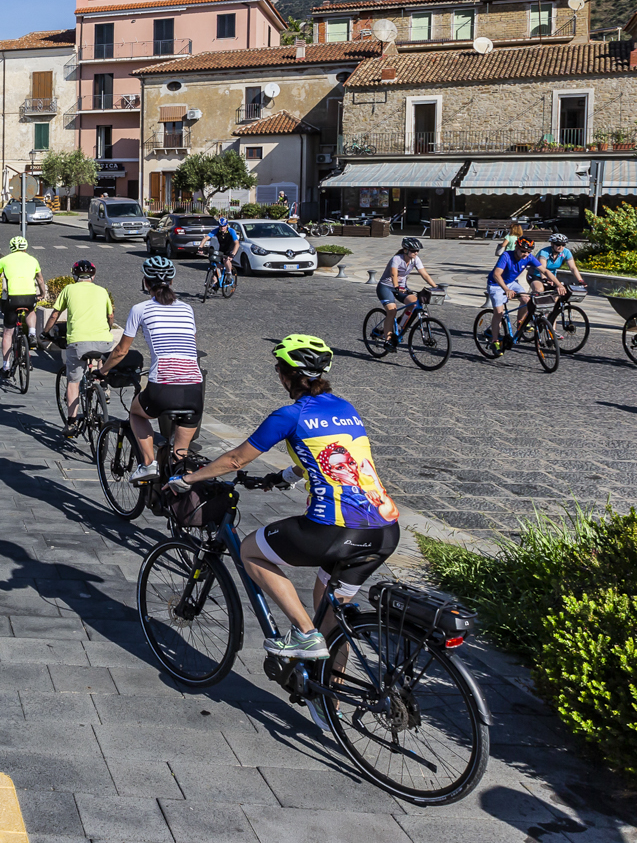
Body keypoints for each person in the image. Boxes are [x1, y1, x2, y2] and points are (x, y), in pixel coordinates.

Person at [165, 335, 400, 660]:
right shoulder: (346, 408)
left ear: (289, 375)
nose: (278, 374)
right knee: (331, 617)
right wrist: (284, 477)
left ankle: (304, 635)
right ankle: (333, 704)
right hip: (385, 529)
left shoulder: (290, 415)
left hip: (335, 528)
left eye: (279, 368)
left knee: (250, 551)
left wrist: (187, 478)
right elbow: (331, 456)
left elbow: (236, 460)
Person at [99, 255, 202, 483]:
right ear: (172, 282)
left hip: (163, 386)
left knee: (136, 412)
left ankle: (148, 464)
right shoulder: (187, 309)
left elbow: (121, 351)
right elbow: (190, 344)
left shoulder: (140, 309)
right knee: (180, 457)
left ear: (145, 283)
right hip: (194, 388)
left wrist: (103, 371)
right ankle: (178, 497)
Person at [38, 259, 116, 419]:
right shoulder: (102, 291)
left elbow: (54, 314)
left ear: (74, 276)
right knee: (102, 355)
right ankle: (103, 384)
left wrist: (45, 333)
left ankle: (72, 421)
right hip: (104, 341)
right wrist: (107, 328)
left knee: (73, 380)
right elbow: (110, 316)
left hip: (78, 342)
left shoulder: (68, 289)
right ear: (93, 276)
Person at [487, 237, 559, 347]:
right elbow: (496, 274)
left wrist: (559, 285)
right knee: (499, 313)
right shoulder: (506, 256)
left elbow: (544, 270)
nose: (525, 254)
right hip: (496, 284)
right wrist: (506, 289)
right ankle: (495, 340)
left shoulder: (528, 257)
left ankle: (521, 322)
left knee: (527, 299)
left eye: (528, 252)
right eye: (523, 251)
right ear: (516, 248)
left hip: (511, 283)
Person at [0, 235, 44, 380]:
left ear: (11, 248)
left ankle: (5, 366)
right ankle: (32, 333)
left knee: (8, 333)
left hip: (12, 299)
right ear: (25, 247)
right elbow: (40, 279)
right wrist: (42, 293)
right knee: (31, 310)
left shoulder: (4, 260)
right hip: (29, 297)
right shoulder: (33, 260)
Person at [377, 236, 440, 342]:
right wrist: (396, 286)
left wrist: (436, 287)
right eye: (413, 251)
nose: (416, 253)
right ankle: (388, 340)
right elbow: (393, 274)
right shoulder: (397, 259)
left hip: (402, 288)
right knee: (392, 311)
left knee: (414, 303)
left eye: (417, 251)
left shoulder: (415, 260)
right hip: (386, 287)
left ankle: (399, 325)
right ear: (405, 250)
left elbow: (424, 274)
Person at [211, 214, 240, 285]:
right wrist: (200, 246)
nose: (222, 228)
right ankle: (216, 281)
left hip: (231, 249)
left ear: (227, 225)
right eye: (221, 226)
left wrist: (232, 254)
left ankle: (229, 274)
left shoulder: (231, 231)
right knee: (215, 263)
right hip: (222, 250)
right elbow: (206, 237)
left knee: (226, 260)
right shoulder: (217, 231)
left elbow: (237, 243)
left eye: (224, 226)